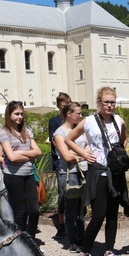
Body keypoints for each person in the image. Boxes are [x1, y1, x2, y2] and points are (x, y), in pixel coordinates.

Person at [65, 87, 129, 256]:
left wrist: (119, 155)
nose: (109, 105)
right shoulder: (89, 121)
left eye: (112, 102)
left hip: (114, 173)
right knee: (98, 215)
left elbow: (123, 139)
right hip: (98, 172)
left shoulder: (119, 121)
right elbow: (68, 139)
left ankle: (109, 250)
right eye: (106, 102)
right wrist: (84, 155)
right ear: (99, 103)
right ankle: (85, 251)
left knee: (113, 215)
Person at [0, 101, 42, 237]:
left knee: (35, 210)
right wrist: (29, 155)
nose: (20, 117)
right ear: (9, 114)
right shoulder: (4, 133)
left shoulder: (27, 131)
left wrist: (20, 154)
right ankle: (19, 240)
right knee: (20, 211)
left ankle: (31, 239)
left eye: (22, 114)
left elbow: (38, 152)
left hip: (28, 174)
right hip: (13, 176)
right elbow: (11, 157)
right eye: (16, 114)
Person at [53, 101, 88, 252]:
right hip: (69, 174)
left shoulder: (80, 130)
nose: (80, 116)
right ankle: (72, 240)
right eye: (78, 113)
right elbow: (66, 157)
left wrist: (78, 153)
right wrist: (83, 154)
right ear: (69, 114)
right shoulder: (60, 133)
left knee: (82, 209)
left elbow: (89, 146)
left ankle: (81, 237)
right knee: (71, 209)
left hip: (84, 172)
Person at [49, 92, 72, 238]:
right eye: (63, 105)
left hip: (74, 160)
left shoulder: (73, 120)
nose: (65, 107)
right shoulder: (55, 121)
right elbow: (54, 140)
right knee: (63, 193)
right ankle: (62, 224)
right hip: (60, 161)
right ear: (59, 105)